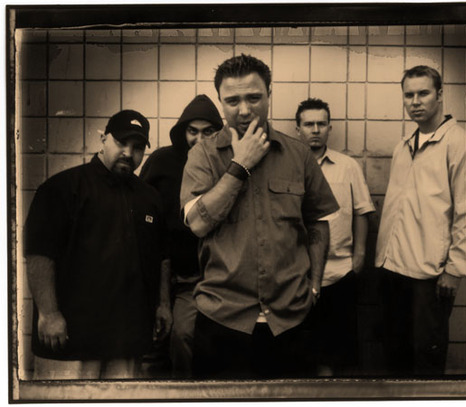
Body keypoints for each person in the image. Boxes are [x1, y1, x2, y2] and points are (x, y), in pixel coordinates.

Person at [180, 54, 339, 379]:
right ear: (221, 102)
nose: (243, 110)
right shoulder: (203, 155)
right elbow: (197, 224)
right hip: (222, 318)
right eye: (232, 101)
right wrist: (240, 166)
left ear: (269, 94)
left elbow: (317, 222)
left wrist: (314, 286)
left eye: (253, 98)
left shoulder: (298, 154)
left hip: (291, 319)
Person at [24, 110, 169, 380]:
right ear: (103, 139)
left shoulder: (149, 197)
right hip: (71, 341)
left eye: (137, 147)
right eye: (121, 142)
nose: (128, 152)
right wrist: (49, 313)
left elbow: (161, 256)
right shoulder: (62, 188)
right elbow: (39, 254)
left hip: (126, 341)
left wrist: (163, 304)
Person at [375, 65, 466, 376]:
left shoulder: (460, 144)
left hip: (430, 274)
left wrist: (454, 270)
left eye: (423, 93)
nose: (415, 101)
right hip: (392, 267)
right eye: (409, 95)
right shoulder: (404, 145)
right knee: (395, 353)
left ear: (440, 94)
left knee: (425, 358)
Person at [140, 94, 224, 378]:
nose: (199, 139)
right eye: (192, 131)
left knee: (183, 336)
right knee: (151, 342)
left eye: (208, 131)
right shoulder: (162, 161)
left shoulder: (224, 163)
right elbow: (140, 204)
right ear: (182, 132)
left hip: (197, 273)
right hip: (158, 267)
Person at [296, 98, 375, 376]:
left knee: (334, 353)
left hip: (340, 271)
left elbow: (362, 211)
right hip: (298, 274)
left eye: (321, 124)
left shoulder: (347, 166)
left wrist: (359, 256)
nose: (315, 130)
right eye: (309, 124)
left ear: (330, 127)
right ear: (298, 128)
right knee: (300, 350)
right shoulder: (289, 166)